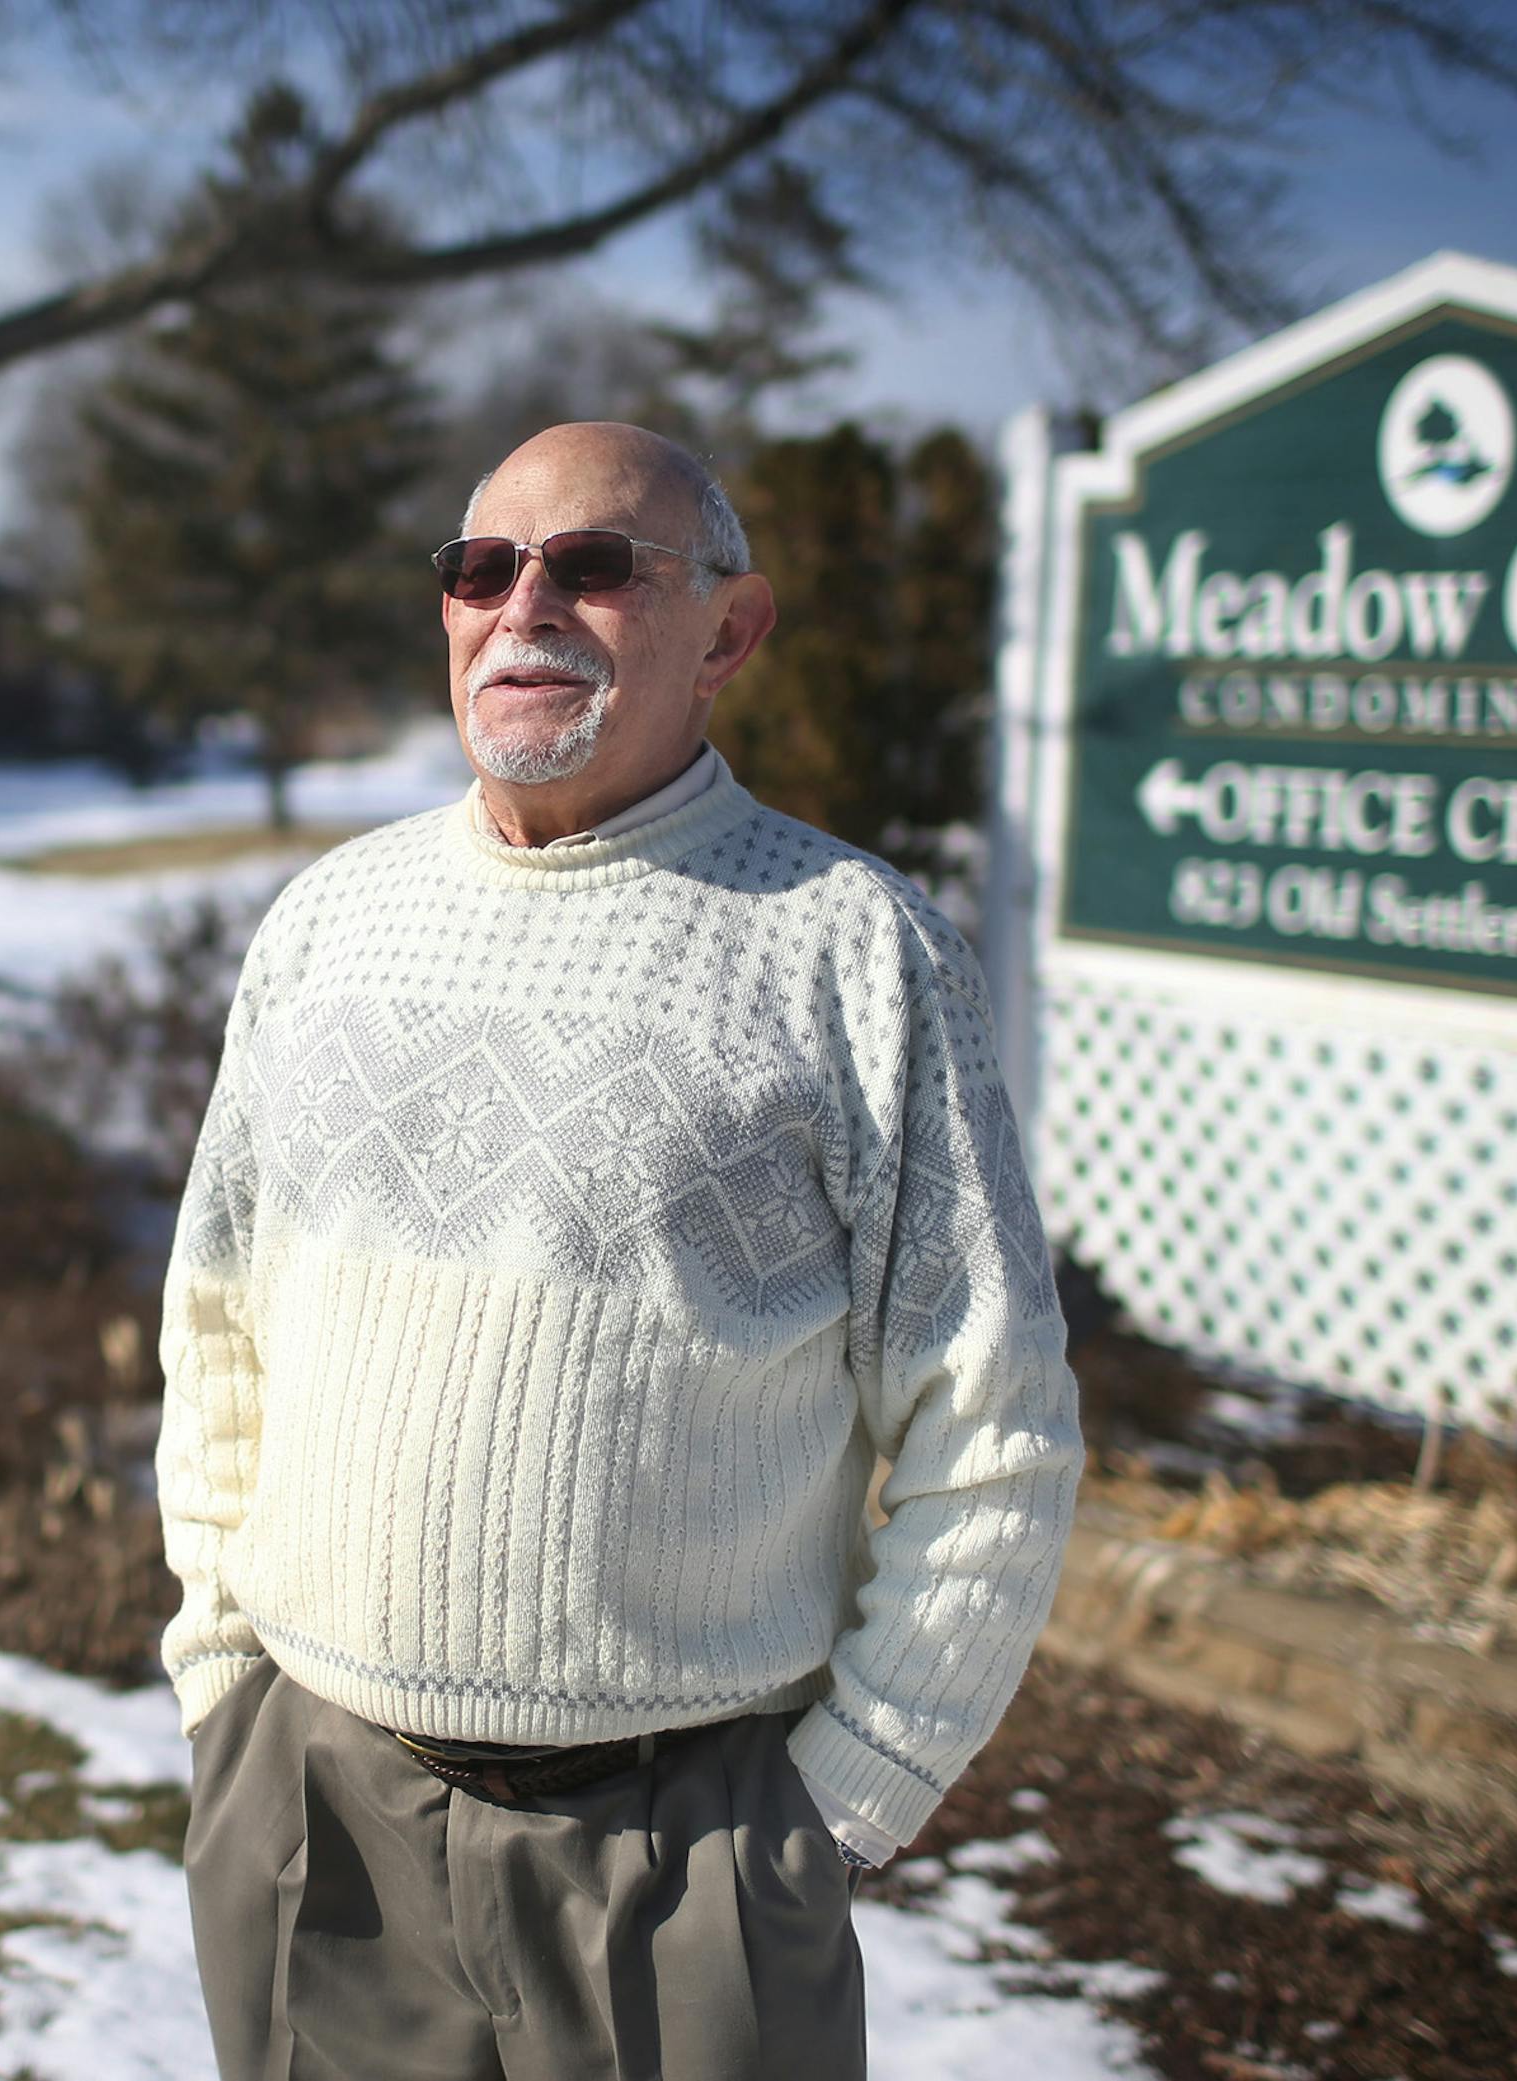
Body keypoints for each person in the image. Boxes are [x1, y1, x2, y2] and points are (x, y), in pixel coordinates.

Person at [157, 422, 1081, 2080]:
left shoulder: (852, 952)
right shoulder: (325, 924)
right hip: (319, 1813)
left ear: (728, 632)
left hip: (686, 1857)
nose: (525, 606)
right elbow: (218, 1331)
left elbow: (992, 1424)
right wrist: (227, 1686)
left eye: (594, 566)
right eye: (480, 567)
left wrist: (841, 1803)